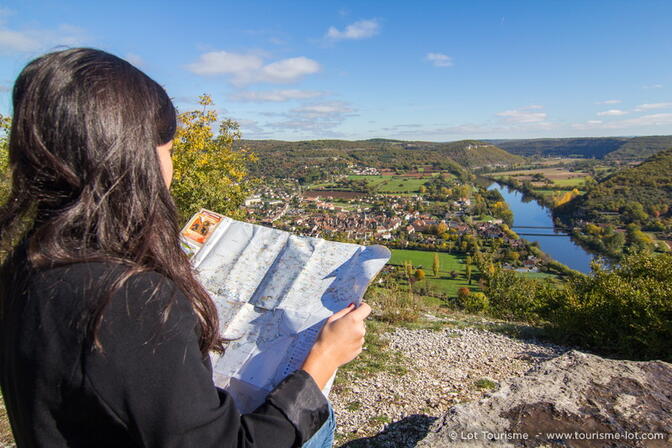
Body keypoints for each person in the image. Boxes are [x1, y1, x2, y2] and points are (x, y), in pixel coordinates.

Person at [0, 48, 371, 447]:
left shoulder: (28, 261)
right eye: (169, 150)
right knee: (319, 419)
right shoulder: (128, 299)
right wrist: (322, 362)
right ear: (136, 161)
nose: (171, 166)